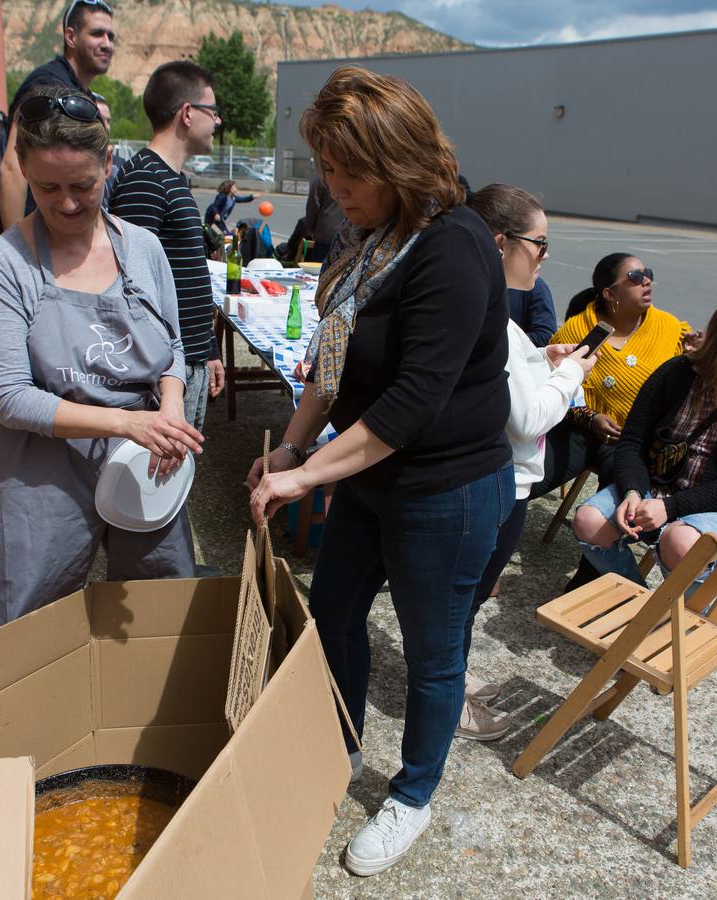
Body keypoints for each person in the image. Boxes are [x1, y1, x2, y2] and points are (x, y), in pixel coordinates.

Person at [247, 66, 514, 875]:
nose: (333, 190)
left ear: (400, 161)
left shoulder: (454, 247)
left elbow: (410, 404)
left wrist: (303, 479)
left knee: (435, 653)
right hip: (369, 478)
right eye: (326, 170)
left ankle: (413, 795)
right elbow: (331, 371)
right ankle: (342, 742)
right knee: (331, 613)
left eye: (348, 172)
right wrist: (291, 448)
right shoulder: (367, 240)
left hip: (448, 489)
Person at [0, 85, 204, 652]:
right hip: (43, 466)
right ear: (22, 168)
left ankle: (151, 726)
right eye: (47, 187)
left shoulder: (144, 248)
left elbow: (171, 347)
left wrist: (168, 410)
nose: (67, 203)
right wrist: (127, 424)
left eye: (83, 185)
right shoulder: (4, 265)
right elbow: (11, 399)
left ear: (108, 163)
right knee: (24, 622)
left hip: (146, 458)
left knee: (159, 610)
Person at [453, 184, 597, 738]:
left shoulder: (499, 316)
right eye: (539, 242)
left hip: (505, 483)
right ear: (499, 242)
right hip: (497, 483)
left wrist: (544, 358)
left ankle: (455, 680)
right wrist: (570, 374)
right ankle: (450, 696)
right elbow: (527, 419)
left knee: (470, 597)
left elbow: (510, 376)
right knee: (464, 600)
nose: (543, 255)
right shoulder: (491, 319)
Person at [573, 290, 717, 589]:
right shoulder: (678, 373)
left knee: (680, 542)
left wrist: (670, 508)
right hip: (658, 491)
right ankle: (642, 605)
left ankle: (683, 617)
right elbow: (633, 441)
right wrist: (632, 491)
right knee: (589, 522)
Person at [532, 253, 693, 587]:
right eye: (635, 277)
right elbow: (556, 385)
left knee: (619, 483)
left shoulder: (669, 328)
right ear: (610, 293)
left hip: (636, 442)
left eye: (647, 274)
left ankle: (592, 582)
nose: (646, 281)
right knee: (526, 476)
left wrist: (698, 352)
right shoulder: (579, 328)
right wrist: (591, 418)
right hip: (581, 430)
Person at [110, 61, 225, 432]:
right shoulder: (145, 178)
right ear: (188, 114)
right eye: (213, 111)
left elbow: (185, 274)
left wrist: (208, 350)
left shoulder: (172, 178)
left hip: (187, 364)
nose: (218, 122)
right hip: (163, 375)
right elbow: (132, 290)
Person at [0, 0, 115, 232]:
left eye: (111, 37)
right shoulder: (47, 85)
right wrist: (17, 253)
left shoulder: (82, 92)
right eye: (97, 34)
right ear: (70, 37)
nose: (107, 44)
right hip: (38, 244)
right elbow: (11, 169)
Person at [280, 175, 344, 263]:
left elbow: (312, 207)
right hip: (348, 235)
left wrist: (312, 230)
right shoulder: (353, 175)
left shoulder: (322, 177)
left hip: (325, 235)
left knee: (319, 272)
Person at [510, 275, 558, 346]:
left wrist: (509, 341)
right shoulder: (489, 282)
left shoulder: (535, 286)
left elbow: (546, 336)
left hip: (517, 353)